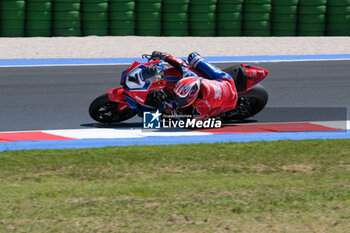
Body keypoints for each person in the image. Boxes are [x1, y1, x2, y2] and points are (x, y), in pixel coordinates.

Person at [151, 51, 238, 120]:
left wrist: (177, 115)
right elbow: (181, 64)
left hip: (230, 101)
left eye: (181, 99)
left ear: (192, 97)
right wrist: (163, 56)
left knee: (212, 118)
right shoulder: (191, 77)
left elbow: (194, 123)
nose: (179, 101)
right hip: (225, 80)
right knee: (193, 57)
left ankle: (216, 117)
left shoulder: (201, 105)